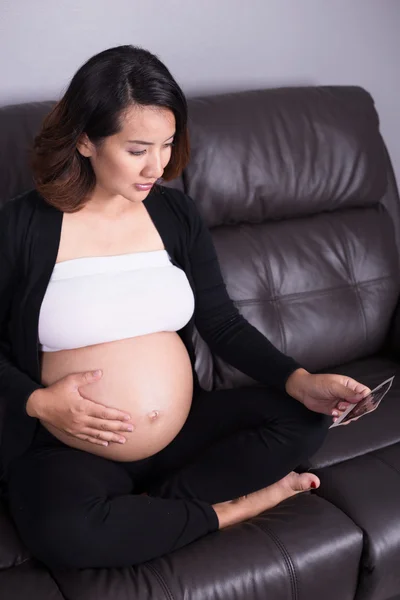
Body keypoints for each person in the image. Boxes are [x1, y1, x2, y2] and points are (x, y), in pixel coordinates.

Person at [1, 45, 371, 569]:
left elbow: (220, 322)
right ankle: (231, 509)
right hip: (71, 445)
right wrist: (37, 404)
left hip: (182, 433)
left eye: (168, 144)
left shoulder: (175, 213)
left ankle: (151, 515)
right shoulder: (21, 226)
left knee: (306, 417)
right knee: (64, 534)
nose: (159, 166)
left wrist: (299, 378)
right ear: (85, 139)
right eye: (137, 150)